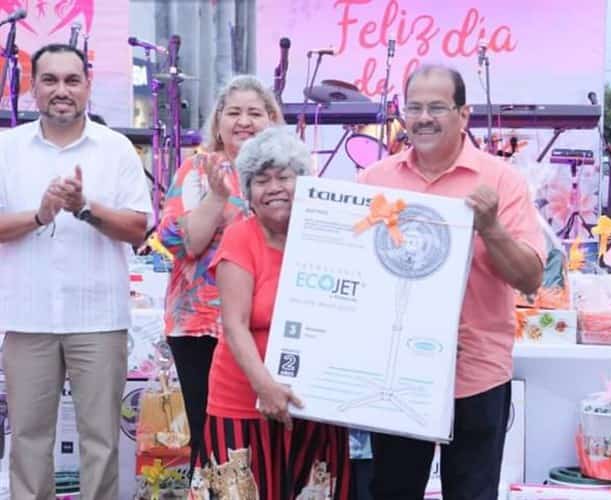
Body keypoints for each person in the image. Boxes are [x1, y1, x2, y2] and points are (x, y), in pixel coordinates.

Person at [358, 65, 546, 500]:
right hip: (396, 371)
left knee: (472, 493)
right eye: (415, 107)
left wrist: (491, 227)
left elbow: (530, 278)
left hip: (475, 372)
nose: (424, 117)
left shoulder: (500, 181)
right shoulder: (374, 181)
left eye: (437, 107)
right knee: (392, 490)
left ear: (464, 114)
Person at [0, 44, 152, 499]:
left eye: (71, 80)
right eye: (50, 80)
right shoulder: (7, 149)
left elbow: (138, 228)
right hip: (28, 318)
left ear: (87, 86)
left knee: (101, 441)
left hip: (99, 319)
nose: (61, 90)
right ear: (32, 87)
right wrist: (42, 215)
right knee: (27, 439)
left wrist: (84, 208)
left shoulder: (116, 148)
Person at [194, 126, 350, 499]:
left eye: (285, 177)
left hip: (313, 403)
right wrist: (265, 386)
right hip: (243, 403)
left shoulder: (329, 238)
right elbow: (234, 326)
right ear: (248, 194)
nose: (275, 187)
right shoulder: (240, 237)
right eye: (261, 181)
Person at [157, 74, 284, 474]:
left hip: (266, 324)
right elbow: (186, 245)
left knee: (269, 434)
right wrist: (217, 195)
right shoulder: (196, 169)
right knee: (211, 439)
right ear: (218, 122)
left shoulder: (286, 172)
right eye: (234, 112)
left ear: (271, 120)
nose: (243, 121)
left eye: (254, 113)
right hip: (201, 326)